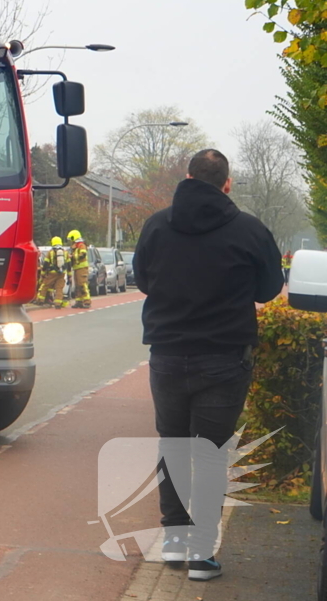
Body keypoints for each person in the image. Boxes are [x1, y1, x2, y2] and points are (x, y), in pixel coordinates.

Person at [134, 149, 283, 581]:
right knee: (212, 453)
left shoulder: (157, 225)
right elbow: (270, 288)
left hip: (166, 355)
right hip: (224, 357)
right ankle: (201, 554)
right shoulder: (249, 229)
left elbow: (143, 280)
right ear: (227, 183)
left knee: (173, 445)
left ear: (187, 176)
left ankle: (174, 541)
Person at [35, 236, 68, 307]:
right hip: (62, 273)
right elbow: (68, 264)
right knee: (59, 288)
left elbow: (46, 263)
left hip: (52, 272)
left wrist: (43, 273)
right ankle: (58, 303)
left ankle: (40, 300)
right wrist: (69, 275)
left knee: (45, 285)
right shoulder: (65, 252)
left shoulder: (51, 252)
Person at [67, 229, 91, 308]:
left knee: (82, 284)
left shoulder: (81, 245)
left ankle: (87, 301)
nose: (71, 241)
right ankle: (79, 301)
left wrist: (72, 256)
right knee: (77, 286)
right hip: (77, 268)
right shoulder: (75, 246)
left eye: (71, 239)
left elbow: (82, 254)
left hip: (82, 268)